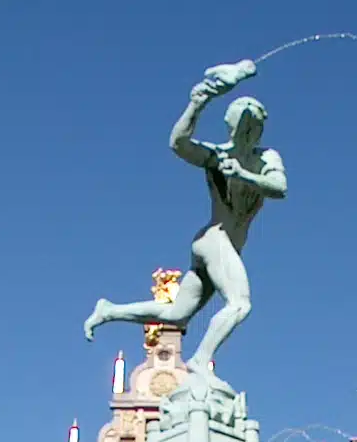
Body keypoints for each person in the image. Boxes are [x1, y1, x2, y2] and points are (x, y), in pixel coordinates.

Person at [84, 61, 287, 372]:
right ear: (234, 127)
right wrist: (197, 103)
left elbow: (279, 187)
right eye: (244, 125)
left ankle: (109, 310)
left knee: (177, 315)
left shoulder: (265, 158)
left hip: (219, 245)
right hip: (215, 240)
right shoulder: (217, 156)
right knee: (240, 303)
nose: (248, 131)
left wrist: (243, 174)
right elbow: (178, 144)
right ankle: (200, 361)